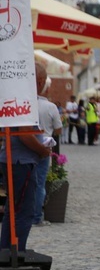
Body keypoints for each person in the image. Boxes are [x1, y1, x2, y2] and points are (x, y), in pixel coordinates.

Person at [1, 64, 54, 249]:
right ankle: (15, 251)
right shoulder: (25, 99)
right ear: (39, 81)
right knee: (23, 211)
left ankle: (7, 251)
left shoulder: (17, 95)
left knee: (14, 209)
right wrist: (42, 150)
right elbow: (24, 134)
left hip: (15, 159)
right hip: (21, 161)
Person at [31, 65, 63, 227]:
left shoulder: (27, 102)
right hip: (44, 146)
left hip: (28, 145)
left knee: (27, 182)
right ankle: (37, 216)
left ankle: (26, 214)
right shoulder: (51, 107)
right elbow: (58, 129)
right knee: (40, 182)